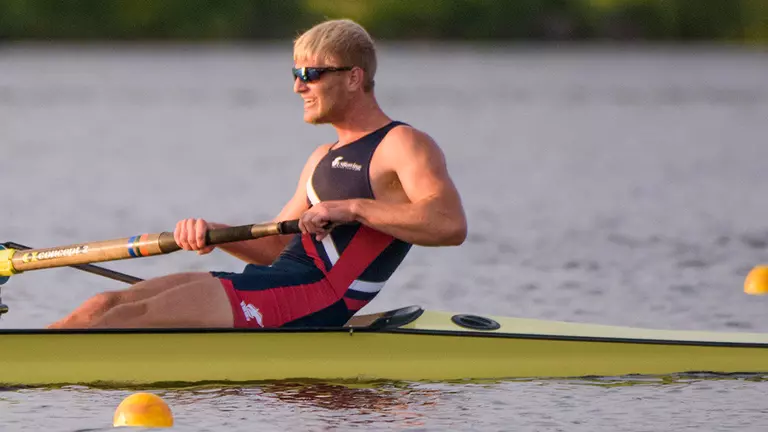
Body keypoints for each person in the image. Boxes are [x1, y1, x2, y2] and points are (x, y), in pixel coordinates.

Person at [49, 19, 467, 329]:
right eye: (295, 75)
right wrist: (216, 232)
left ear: (354, 78)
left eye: (311, 74)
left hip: (316, 300)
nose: (298, 87)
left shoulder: (402, 143)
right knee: (103, 305)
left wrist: (354, 208)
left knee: (129, 320)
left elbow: (450, 224)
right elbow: (278, 248)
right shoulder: (322, 157)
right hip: (272, 283)